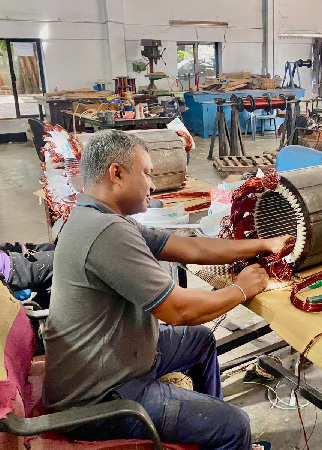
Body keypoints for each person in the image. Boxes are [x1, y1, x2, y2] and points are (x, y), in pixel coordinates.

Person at [43, 129, 292, 449]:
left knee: (201, 341)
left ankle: (207, 438)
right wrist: (240, 290)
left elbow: (191, 248)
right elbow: (178, 310)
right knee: (236, 425)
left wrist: (262, 244)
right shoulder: (106, 232)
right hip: (100, 400)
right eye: (147, 173)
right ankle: (225, 436)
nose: (152, 185)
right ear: (116, 174)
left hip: (116, 358)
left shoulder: (101, 217)